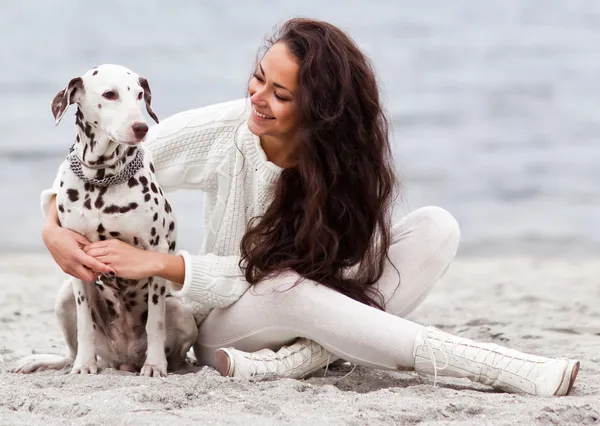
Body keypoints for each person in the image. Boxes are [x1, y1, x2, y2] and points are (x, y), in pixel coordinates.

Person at [41, 18, 579, 396]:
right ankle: (494, 365)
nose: (257, 97)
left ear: (319, 110)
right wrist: (53, 231)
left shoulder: (345, 167)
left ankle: (296, 361)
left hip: (313, 300)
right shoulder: (221, 132)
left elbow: (346, 269)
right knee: (284, 286)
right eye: (258, 77)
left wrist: (162, 263)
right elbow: (86, 176)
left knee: (438, 227)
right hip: (224, 320)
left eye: (280, 93)